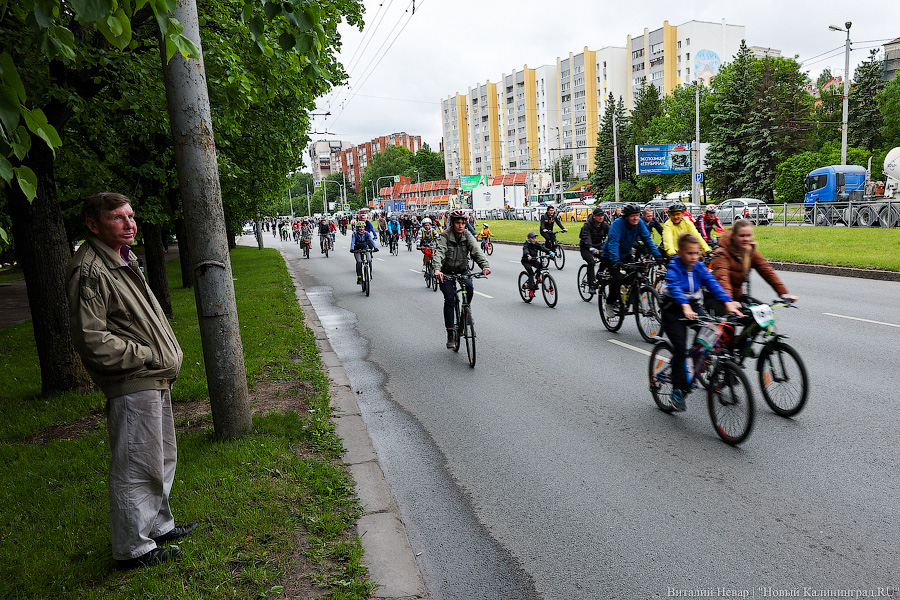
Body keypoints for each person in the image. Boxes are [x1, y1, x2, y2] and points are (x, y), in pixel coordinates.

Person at [66, 192, 195, 570]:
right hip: (134, 378)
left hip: (153, 377)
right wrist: (147, 355)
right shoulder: (90, 269)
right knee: (137, 463)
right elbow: (91, 340)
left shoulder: (121, 258)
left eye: (131, 216)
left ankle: (157, 527)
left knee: (161, 457)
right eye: (118, 218)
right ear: (93, 225)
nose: (129, 224)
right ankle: (133, 548)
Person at [660, 232, 743, 411]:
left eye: (697, 253)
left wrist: (728, 302)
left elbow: (712, 283)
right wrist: (685, 306)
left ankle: (699, 365)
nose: (694, 257)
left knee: (710, 334)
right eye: (690, 253)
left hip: (692, 307)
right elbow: (674, 288)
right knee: (680, 349)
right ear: (680, 252)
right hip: (673, 310)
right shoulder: (674, 267)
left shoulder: (699, 267)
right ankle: (677, 392)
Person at [708, 219, 798, 313]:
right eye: (742, 236)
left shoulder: (749, 251)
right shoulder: (722, 253)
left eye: (748, 235)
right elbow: (723, 278)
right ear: (733, 236)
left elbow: (767, 271)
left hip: (737, 298)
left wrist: (783, 293)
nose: (746, 239)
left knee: (765, 314)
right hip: (718, 299)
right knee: (729, 325)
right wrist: (729, 302)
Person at [433, 209, 491, 348]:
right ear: (452, 223)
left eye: (463, 223)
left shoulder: (467, 235)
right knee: (450, 299)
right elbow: (439, 252)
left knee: (469, 288)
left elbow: (477, 251)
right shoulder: (445, 236)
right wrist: (437, 269)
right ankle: (451, 334)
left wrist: (485, 266)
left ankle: (465, 313)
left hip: (463, 269)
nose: (461, 225)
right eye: (458, 223)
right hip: (446, 272)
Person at [600, 203, 666, 307]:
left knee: (637, 274)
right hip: (610, 256)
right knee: (618, 279)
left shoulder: (639, 223)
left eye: (637, 215)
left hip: (626, 254)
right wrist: (616, 260)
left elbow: (647, 240)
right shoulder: (618, 224)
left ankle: (632, 299)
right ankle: (610, 303)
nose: (635, 218)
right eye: (632, 216)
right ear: (626, 217)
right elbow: (614, 243)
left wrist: (657, 255)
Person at [579, 207, 609, 289]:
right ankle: (591, 284)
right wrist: (590, 247)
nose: (601, 217)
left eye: (602, 215)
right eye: (599, 216)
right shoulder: (587, 225)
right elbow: (586, 237)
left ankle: (599, 276)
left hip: (598, 246)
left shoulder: (604, 225)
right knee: (591, 262)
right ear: (594, 216)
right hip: (586, 247)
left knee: (606, 259)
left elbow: (612, 235)